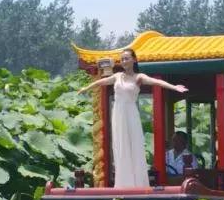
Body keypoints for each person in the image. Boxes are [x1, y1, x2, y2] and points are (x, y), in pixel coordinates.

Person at [77, 49, 188, 187]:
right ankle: (123, 183)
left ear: (134, 60)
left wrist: (174, 87)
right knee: (121, 146)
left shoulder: (139, 77)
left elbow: (156, 82)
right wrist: (86, 88)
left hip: (131, 113)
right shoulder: (117, 76)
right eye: (122, 59)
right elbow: (101, 82)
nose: (124, 61)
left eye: (127, 58)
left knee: (134, 145)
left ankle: (138, 184)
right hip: (118, 114)